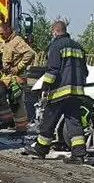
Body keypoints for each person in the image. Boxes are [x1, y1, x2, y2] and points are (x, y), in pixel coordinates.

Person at [28, 20, 88, 163]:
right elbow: (85, 70)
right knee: (74, 122)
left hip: (60, 91)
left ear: (54, 31)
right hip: (76, 91)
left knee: (49, 120)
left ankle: (41, 149)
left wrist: (45, 87)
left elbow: (53, 70)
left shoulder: (55, 46)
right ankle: (78, 154)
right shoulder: (78, 46)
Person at [0, 18, 36, 133]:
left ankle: (21, 128)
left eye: (2, 33)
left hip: (17, 77)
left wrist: (18, 67)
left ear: (8, 30)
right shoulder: (6, 42)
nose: (1, 36)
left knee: (15, 101)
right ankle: (8, 121)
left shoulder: (17, 41)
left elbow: (30, 53)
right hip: (6, 77)